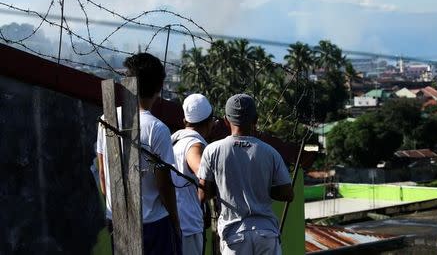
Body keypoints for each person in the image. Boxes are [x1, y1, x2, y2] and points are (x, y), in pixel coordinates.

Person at [96, 53, 181, 255]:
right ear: (159, 87)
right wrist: (176, 222)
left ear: (127, 82)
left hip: (118, 219)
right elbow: (163, 184)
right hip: (153, 223)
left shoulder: (106, 119)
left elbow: (102, 174)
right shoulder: (157, 129)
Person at [197, 93, 294, 255]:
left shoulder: (212, 151)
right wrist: (261, 187)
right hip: (266, 233)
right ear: (255, 120)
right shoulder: (270, 152)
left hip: (234, 235)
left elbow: (202, 195)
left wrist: (224, 187)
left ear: (226, 121)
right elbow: (288, 194)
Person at [171, 93, 214, 255]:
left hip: (175, 220)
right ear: (210, 123)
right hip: (188, 227)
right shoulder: (194, 145)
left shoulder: (176, 142)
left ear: (185, 122)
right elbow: (201, 171)